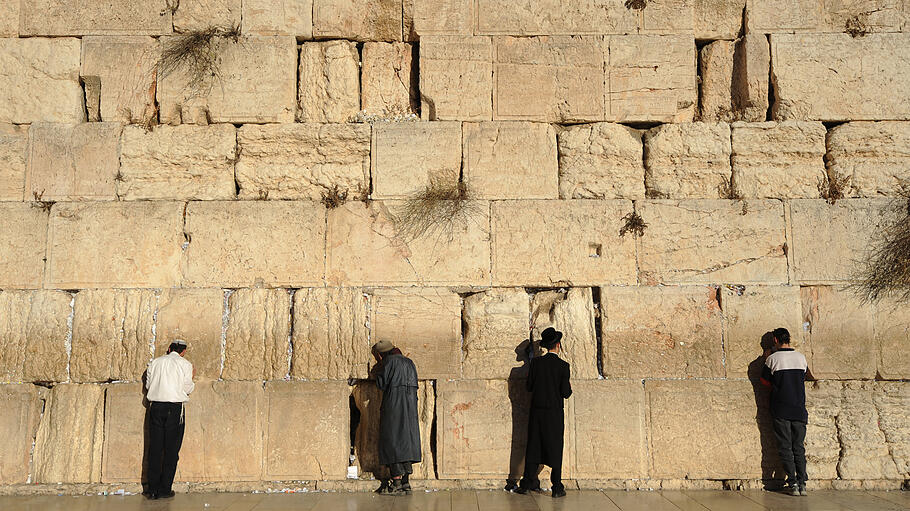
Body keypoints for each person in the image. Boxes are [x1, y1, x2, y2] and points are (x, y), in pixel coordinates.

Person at [515, 327, 572, 498]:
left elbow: (529, 387)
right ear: (558, 345)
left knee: (534, 445)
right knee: (555, 447)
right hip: (554, 414)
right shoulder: (563, 366)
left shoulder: (536, 364)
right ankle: (557, 487)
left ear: (546, 346)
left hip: (537, 413)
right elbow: (566, 393)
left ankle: (526, 484)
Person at [760, 327, 809, 497]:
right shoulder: (801, 358)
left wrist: (766, 358)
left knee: (785, 447)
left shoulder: (772, 359)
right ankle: (802, 483)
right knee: (798, 447)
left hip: (780, 408)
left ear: (775, 340)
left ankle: (793, 483)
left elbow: (765, 382)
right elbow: (802, 378)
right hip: (799, 409)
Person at [144, 340, 195, 500]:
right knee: (171, 449)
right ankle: (165, 488)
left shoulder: (155, 362)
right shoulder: (185, 364)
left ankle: (152, 489)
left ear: (169, 349)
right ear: (183, 351)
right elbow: (187, 388)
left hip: (156, 406)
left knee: (155, 448)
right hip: (174, 408)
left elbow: (148, 385)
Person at [373, 340, 421, 496]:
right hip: (410, 406)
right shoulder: (409, 362)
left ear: (381, 354)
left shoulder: (388, 362)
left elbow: (381, 384)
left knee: (392, 440)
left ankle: (396, 483)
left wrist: (378, 368)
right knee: (407, 439)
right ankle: (406, 483)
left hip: (393, 406)